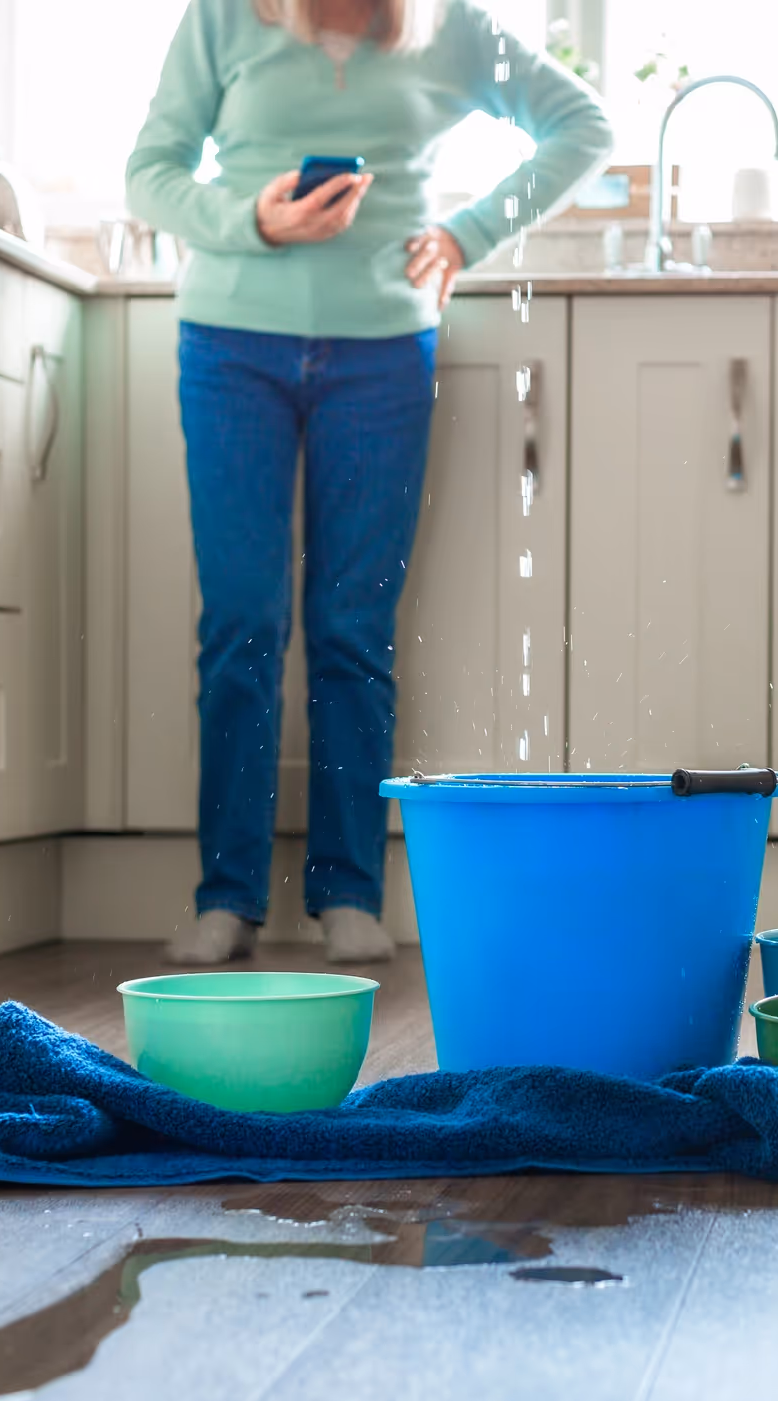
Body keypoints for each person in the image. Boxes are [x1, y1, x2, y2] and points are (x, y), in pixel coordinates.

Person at [127, 0, 613, 964]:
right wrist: (250, 218)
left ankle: (347, 889)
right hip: (230, 345)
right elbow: (150, 174)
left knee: (353, 629)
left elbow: (584, 125)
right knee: (241, 624)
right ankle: (227, 894)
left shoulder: (452, 27)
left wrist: (469, 233)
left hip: (383, 353)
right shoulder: (223, 16)